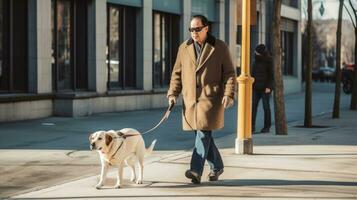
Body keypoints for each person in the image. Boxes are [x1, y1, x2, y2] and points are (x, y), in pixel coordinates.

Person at [167, 15, 236, 184]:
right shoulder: (184, 48)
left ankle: (195, 170)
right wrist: (173, 94)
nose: (194, 32)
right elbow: (177, 73)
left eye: (197, 29)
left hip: (210, 100)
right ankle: (217, 166)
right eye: (191, 29)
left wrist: (229, 94)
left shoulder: (219, 47)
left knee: (203, 134)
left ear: (206, 28)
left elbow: (229, 73)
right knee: (203, 135)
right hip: (190, 101)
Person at [251, 44, 273, 133]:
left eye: (257, 52)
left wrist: (269, 87)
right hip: (256, 88)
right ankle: (251, 126)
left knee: (266, 107)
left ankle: (267, 127)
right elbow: (252, 73)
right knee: (253, 107)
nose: (255, 53)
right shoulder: (255, 60)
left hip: (265, 88)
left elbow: (272, 75)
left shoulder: (269, 61)